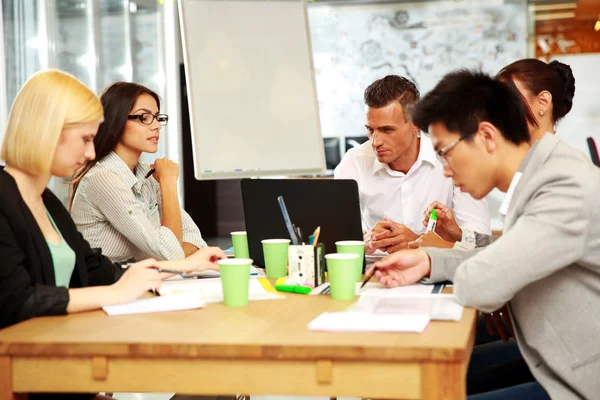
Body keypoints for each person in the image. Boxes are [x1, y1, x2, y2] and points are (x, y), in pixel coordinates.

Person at [370, 70, 600, 399]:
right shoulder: (542, 174)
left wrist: (436, 260)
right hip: (554, 360)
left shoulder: (564, 186)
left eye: (445, 152)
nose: (445, 170)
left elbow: (482, 281)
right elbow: (503, 251)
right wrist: (426, 260)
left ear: (487, 137)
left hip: (580, 381)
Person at [0, 70, 225, 399]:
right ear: (47, 132)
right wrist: (116, 293)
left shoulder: (47, 202)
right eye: (85, 139)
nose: (91, 154)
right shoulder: (5, 201)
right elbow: (15, 301)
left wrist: (181, 267)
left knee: (211, 385)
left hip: (66, 356)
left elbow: (95, 268)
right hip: (32, 372)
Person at [411, 58, 576, 250]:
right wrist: (460, 236)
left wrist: (434, 256)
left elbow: (510, 262)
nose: (499, 115)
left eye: (508, 102)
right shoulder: (528, 172)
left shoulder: (558, 181)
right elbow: (515, 249)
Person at [334, 75, 490, 253]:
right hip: (374, 272)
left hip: (437, 271)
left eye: (387, 130)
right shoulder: (354, 161)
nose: (375, 142)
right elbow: (334, 237)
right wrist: (365, 241)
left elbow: (480, 244)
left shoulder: (453, 159)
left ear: (415, 124)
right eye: (370, 130)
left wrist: (417, 242)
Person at [70, 82, 205, 263]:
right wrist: (168, 182)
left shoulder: (144, 174)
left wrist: (171, 253)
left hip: (138, 281)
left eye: (157, 117)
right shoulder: (103, 179)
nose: (156, 125)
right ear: (116, 121)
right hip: (104, 286)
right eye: (144, 117)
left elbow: (195, 239)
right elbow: (169, 253)